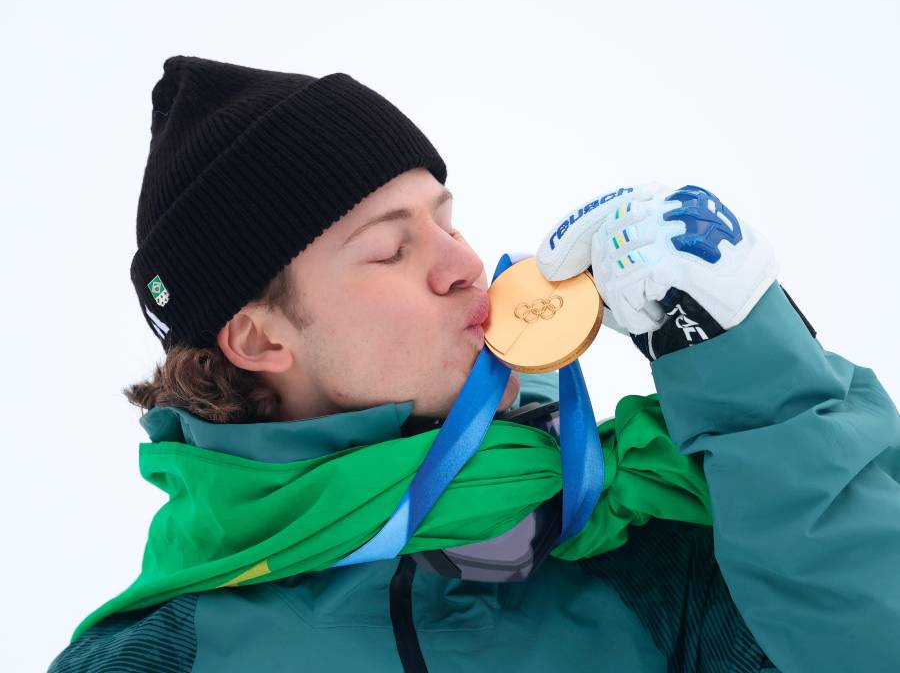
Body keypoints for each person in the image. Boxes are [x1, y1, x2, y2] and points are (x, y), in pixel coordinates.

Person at [47, 55, 900, 673]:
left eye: (447, 219)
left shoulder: (660, 554)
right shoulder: (154, 658)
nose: (462, 263)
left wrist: (755, 379)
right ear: (262, 340)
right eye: (390, 249)